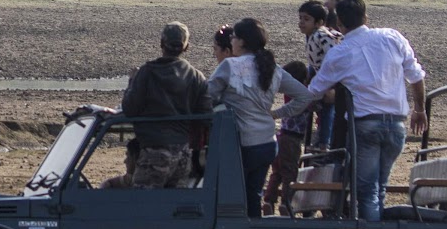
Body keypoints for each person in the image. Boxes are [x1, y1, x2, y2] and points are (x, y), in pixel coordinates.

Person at [307, 0, 427, 221]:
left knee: (367, 191)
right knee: (379, 187)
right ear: (366, 17)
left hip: (366, 126)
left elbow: (315, 90)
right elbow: (415, 76)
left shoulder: (340, 52)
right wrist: (419, 109)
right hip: (396, 126)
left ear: (339, 23)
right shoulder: (392, 36)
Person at [206, 18, 313, 218]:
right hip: (267, 143)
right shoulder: (273, 69)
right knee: (253, 195)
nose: (232, 41)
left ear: (243, 42)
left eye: (235, 37)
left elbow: (206, 97)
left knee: (232, 197)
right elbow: (305, 96)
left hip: (241, 144)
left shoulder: (230, 66)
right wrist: (275, 114)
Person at [104, 22, 211, 189]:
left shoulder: (147, 73)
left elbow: (130, 108)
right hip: (183, 155)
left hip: (154, 152)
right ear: (186, 47)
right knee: (174, 209)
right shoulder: (197, 77)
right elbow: (205, 114)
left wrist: (132, 81)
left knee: (142, 207)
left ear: (161, 44)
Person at [261, 60, 311, 216]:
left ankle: (269, 200)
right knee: (290, 172)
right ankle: (286, 203)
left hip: (281, 135)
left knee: (276, 171)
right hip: (293, 140)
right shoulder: (301, 97)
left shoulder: (288, 95)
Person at [297, 0, 342, 149]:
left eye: (306, 19)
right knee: (322, 109)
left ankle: (324, 142)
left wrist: (331, 86)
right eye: (301, 18)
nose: (302, 22)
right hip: (322, 75)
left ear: (319, 22)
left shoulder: (322, 35)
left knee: (327, 108)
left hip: (333, 78)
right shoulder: (312, 35)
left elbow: (334, 58)